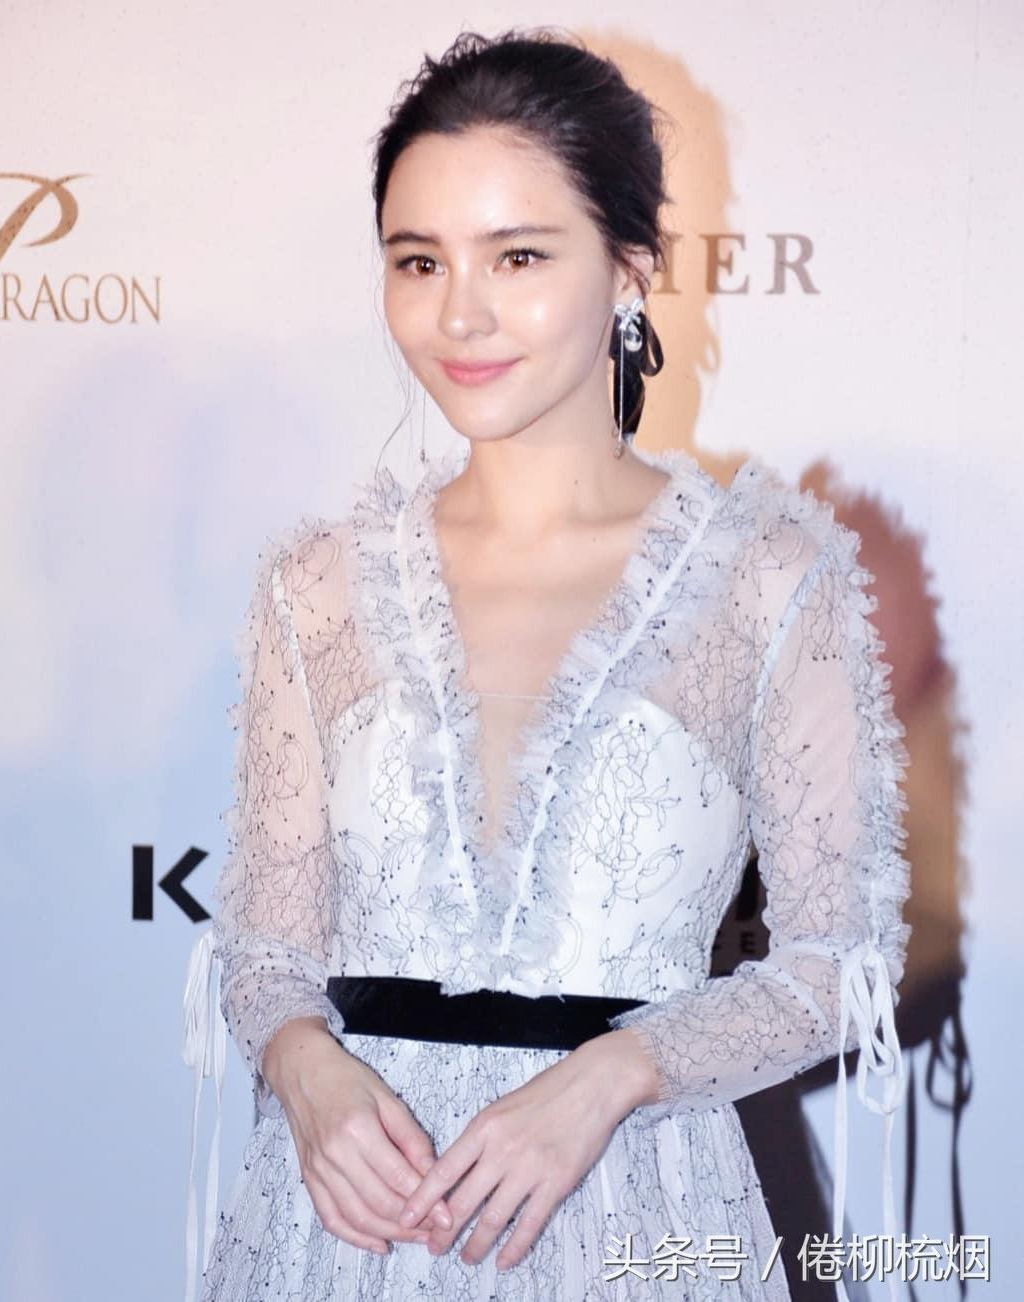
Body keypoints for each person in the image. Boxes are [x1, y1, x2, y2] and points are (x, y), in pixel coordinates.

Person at [181, 27, 912, 1302]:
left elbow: (834, 964)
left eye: (517, 256)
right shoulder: (316, 585)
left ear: (630, 265)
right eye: (419, 261)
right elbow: (265, 950)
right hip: (346, 1232)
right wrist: (303, 1066)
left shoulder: (767, 578)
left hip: (635, 1208)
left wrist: (613, 1076)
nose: (458, 313)